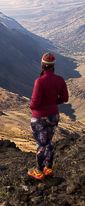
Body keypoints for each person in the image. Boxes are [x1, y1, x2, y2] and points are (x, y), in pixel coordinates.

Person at [27, 52, 69, 180]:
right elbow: (64, 98)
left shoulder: (39, 81)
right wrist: (52, 103)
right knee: (49, 142)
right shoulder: (60, 80)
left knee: (41, 144)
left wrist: (32, 107)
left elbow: (35, 102)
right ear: (53, 65)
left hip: (40, 118)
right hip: (54, 116)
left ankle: (39, 171)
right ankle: (49, 168)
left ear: (42, 65)